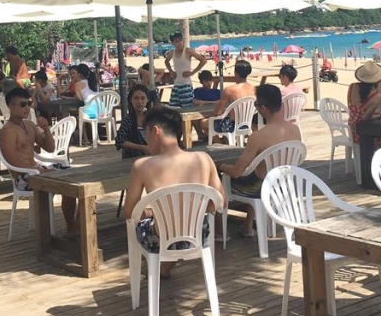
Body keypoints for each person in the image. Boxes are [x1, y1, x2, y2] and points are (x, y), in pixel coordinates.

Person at [123, 106, 225, 278]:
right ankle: (165, 268)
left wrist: (155, 212)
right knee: (180, 226)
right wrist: (191, 211)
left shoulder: (142, 166)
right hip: (197, 232)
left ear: (155, 131)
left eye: (146, 134)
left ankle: (161, 268)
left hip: (161, 237)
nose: (146, 140)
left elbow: (130, 212)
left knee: (156, 226)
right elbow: (221, 202)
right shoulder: (204, 159)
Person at [217, 84, 301, 237]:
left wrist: (222, 166)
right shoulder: (295, 130)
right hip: (284, 183)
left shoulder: (258, 137)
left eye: (256, 104)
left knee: (219, 180)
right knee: (256, 174)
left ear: (263, 108)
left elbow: (236, 172)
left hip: (259, 188)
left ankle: (220, 231)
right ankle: (248, 225)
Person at [0, 86, 78, 233]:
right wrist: (37, 170)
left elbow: (50, 148)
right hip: (23, 178)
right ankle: (70, 229)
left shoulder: (29, 125)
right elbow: (12, 161)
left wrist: (46, 130)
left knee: (74, 179)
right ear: (11, 107)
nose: (27, 108)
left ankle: (75, 226)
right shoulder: (8, 131)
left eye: (29, 104)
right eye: (23, 104)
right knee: (67, 183)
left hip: (37, 170)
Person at [211, 59, 256, 138]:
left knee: (204, 122)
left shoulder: (229, 90)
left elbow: (217, 112)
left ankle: (219, 143)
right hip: (247, 124)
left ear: (235, 73)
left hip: (232, 125)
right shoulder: (254, 89)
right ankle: (225, 142)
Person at [347, 61, 381, 149]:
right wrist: (377, 115)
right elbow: (365, 118)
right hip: (362, 132)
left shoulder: (352, 87)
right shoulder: (377, 96)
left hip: (352, 129)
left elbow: (356, 112)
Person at [164, 32, 207, 108]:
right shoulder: (172, 52)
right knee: (173, 108)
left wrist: (193, 72)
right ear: (173, 43)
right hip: (176, 85)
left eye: (180, 40)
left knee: (187, 108)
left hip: (186, 85)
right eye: (176, 41)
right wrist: (171, 71)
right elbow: (166, 61)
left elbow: (203, 60)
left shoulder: (188, 51)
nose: (179, 43)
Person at [116, 84, 154, 158]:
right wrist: (142, 148)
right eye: (136, 98)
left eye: (143, 98)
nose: (139, 101)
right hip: (132, 157)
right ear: (131, 100)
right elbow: (120, 141)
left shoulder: (152, 118)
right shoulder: (128, 120)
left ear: (147, 100)